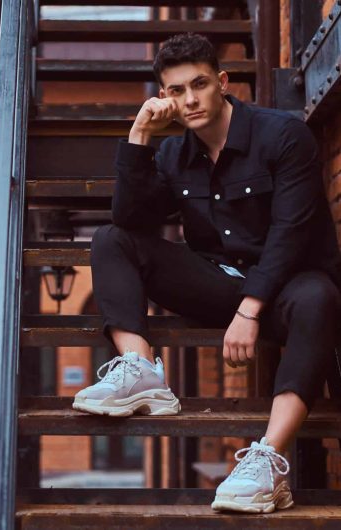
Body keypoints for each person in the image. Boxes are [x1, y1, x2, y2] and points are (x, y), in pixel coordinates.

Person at [72, 32, 341, 513]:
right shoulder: (174, 155)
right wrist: (139, 137)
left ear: (222, 81)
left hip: (287, 291)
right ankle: (140, 371)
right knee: (111, 240)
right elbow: (131, 221)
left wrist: (251, 309)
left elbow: (291, 232)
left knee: (319, 296)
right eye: (176, 91)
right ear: (164, 99)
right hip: (218, 282)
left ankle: (268, 461)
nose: (190, 99)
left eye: (199, 85)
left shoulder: (282, 135)